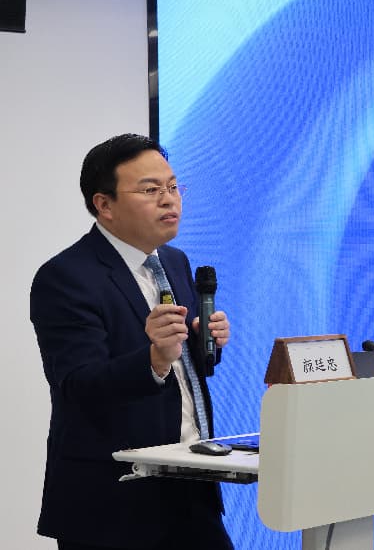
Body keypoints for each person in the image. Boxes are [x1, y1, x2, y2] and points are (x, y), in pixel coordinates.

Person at [30, 134, 234, 549]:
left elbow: (182, 372)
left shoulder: (174, 261)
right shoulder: (66, 277)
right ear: (104, 204)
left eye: (173, 186)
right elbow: (77, 385)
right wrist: (154, 359)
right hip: (114, 502)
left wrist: (203, 345)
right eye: (150, 190)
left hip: (191, 484)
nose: (169, 200)